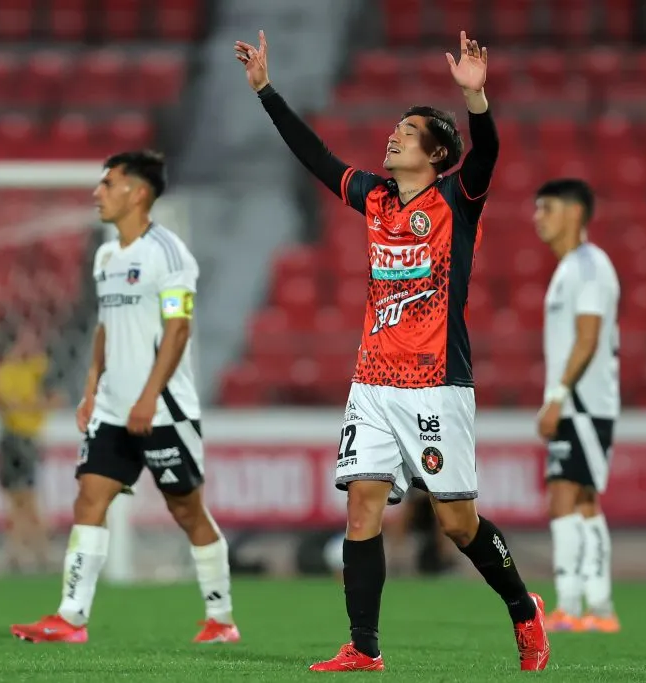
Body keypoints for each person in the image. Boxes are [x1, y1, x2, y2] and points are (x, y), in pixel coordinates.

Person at [236, 30, 549, 672]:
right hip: (373, 383)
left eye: (407, 133)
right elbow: (318, 159)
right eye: (396, 129)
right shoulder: (376, 198)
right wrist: (267, 91)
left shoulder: (458, 201)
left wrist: (475, 97)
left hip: (436, 385)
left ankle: (522, 607)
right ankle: (363, 646)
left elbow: (486, 149)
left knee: (459, 525)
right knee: (361, 508)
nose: (393, 137)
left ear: (435, 153)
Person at [10, 150, 239, 644]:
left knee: (186, 510)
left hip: (162, 410)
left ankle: (221, 618)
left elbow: (178, 332)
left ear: (137, 192)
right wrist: (92, 390)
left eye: (108, 184)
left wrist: (147, 397)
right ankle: (71, 619)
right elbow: (104, 329)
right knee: (90, 497)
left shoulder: (169, 253)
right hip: (113, 408)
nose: (98, 192)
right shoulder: (106, 255)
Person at [533, 179, 622, 633]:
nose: (537, 218)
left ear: (573, 212)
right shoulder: (573, 267)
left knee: (565, 497)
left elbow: (588, 338)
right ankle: (599, 607)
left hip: (583, 405)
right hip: (582, 403)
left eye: (546, 208)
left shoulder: (588, 267)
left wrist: (556, 398)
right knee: (584, 501)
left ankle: (570, 605)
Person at [0, 325, 62, 573]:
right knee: (19, 500)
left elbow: (53, 397)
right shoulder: (6, 372)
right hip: (13, 440)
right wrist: (36, 405)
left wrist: (32, 405)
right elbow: (8, 405)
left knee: (27, 499)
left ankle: (30, 554)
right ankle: (26, 554)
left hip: (27, 439)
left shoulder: (34, 369)